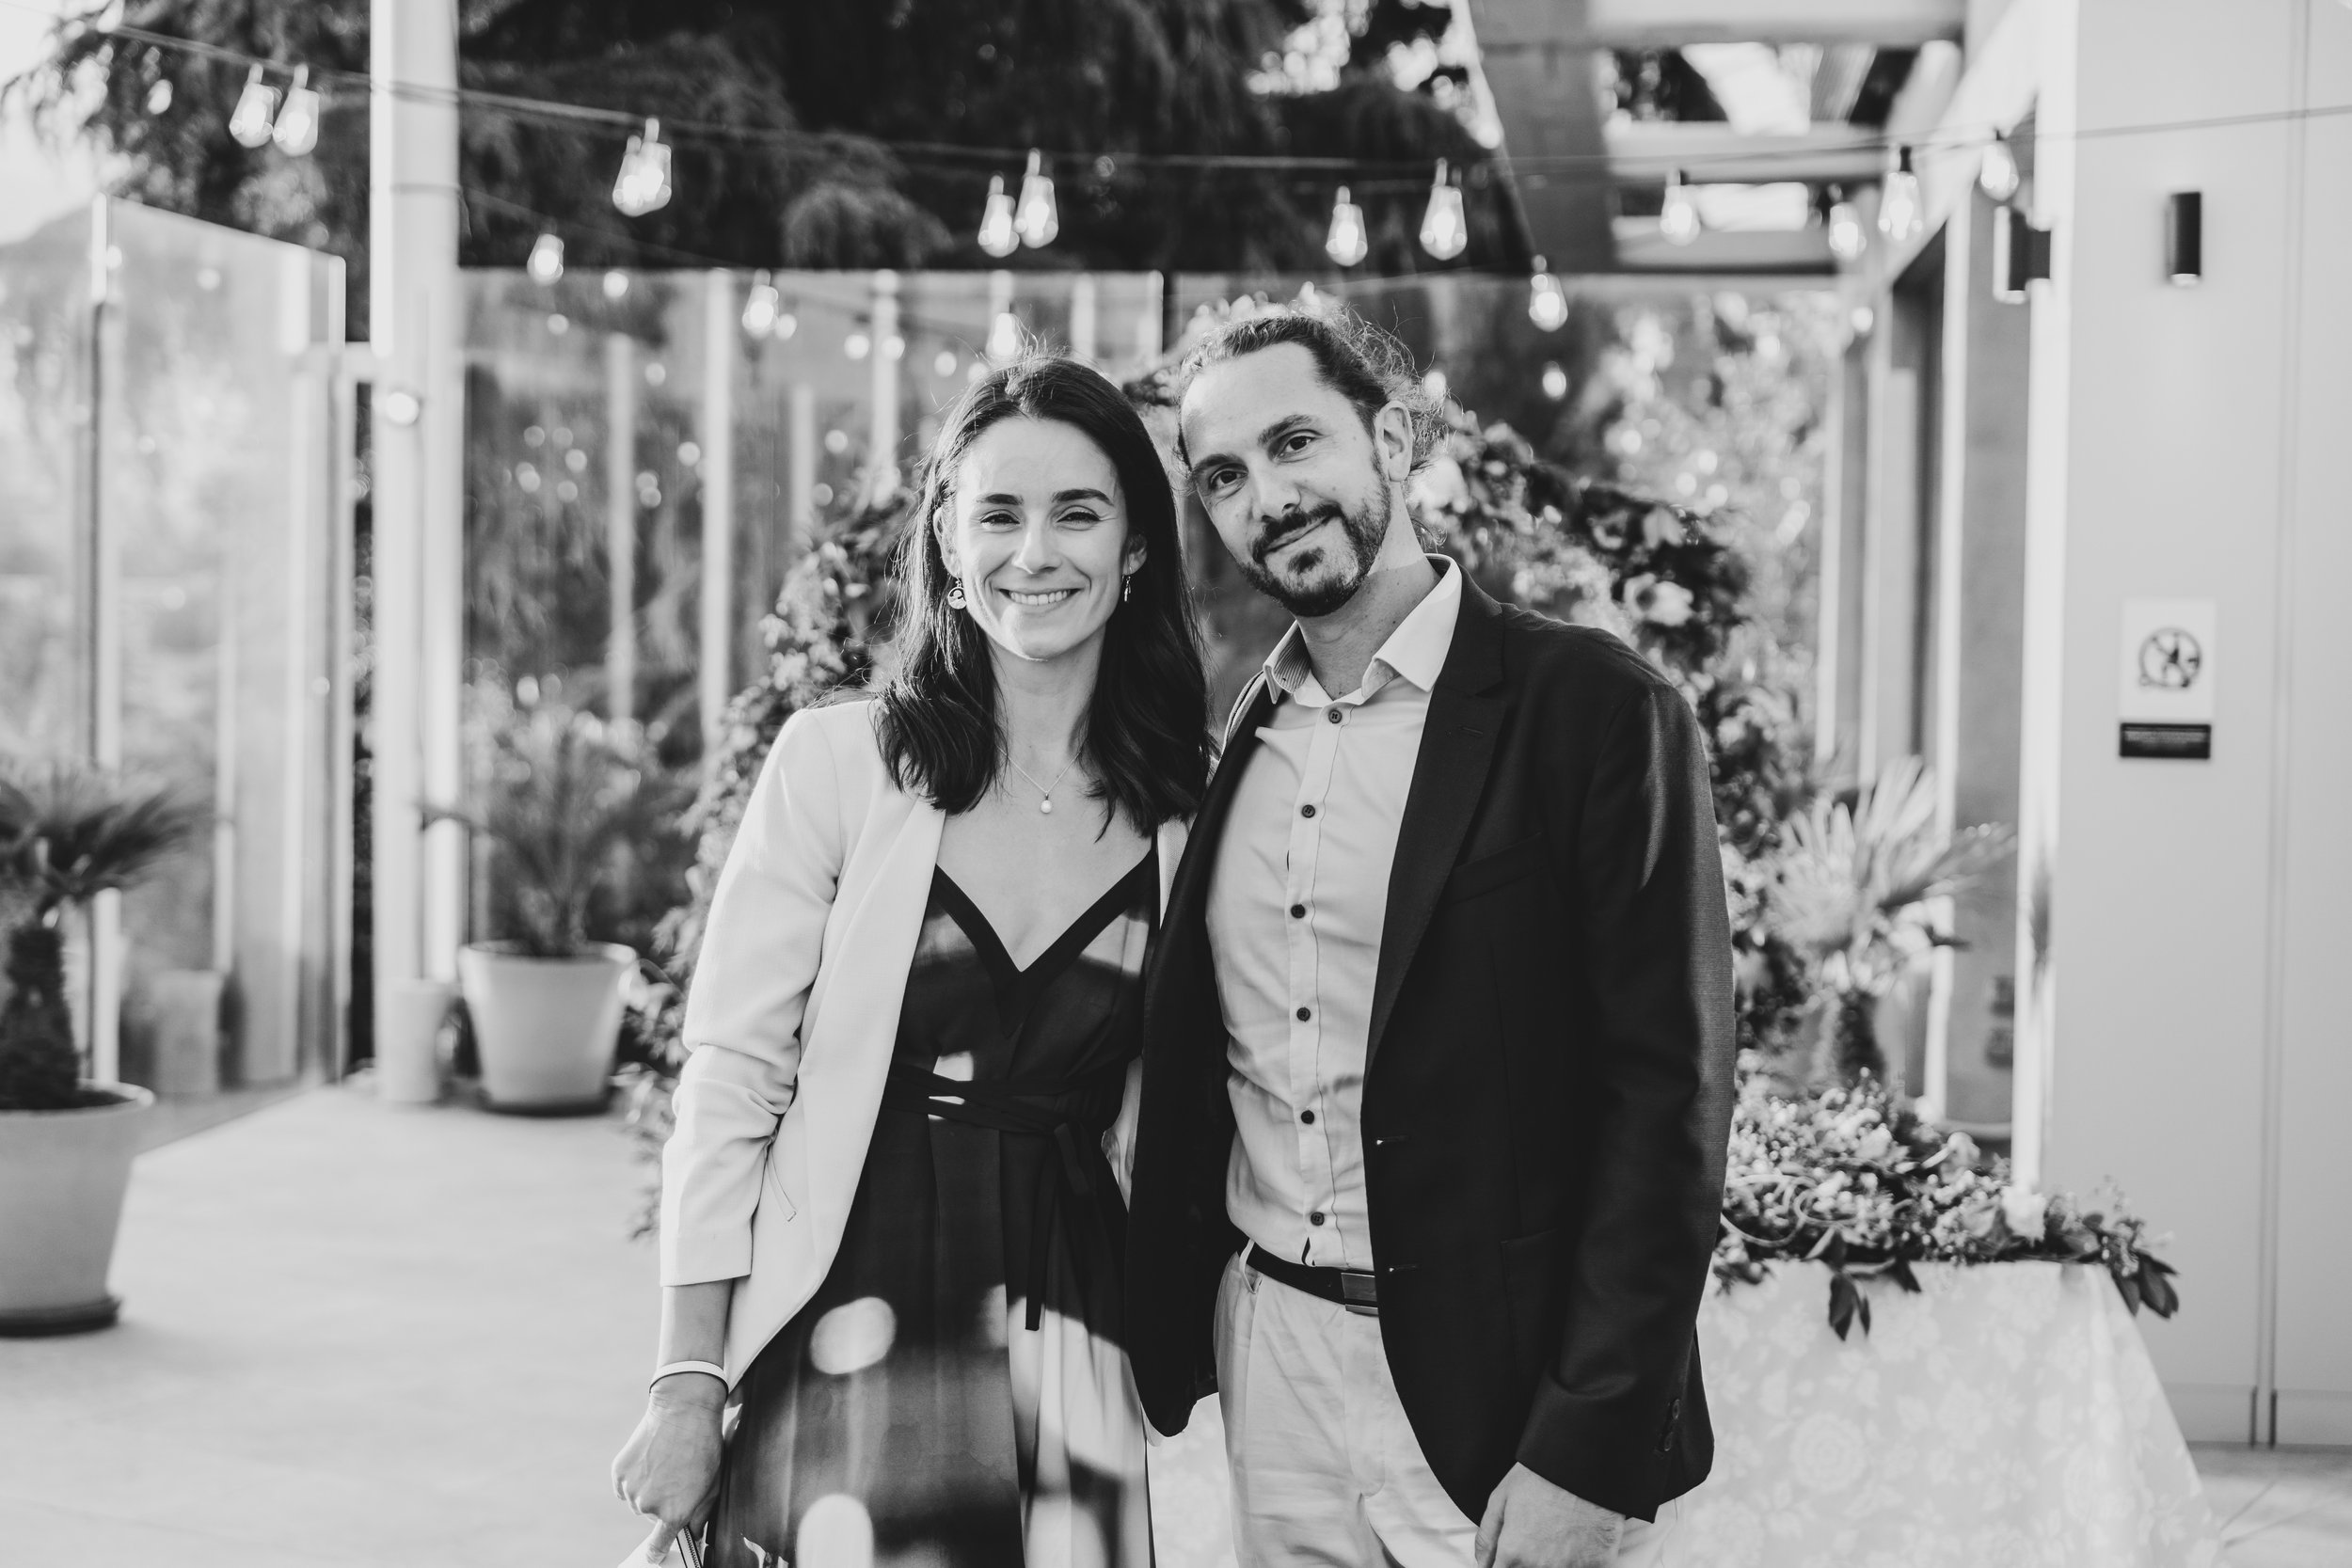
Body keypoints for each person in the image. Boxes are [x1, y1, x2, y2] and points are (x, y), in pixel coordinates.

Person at [1124, 306, 1737, 1568]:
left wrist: (1590, 1443)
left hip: (1499, 1392)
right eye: (1223, 476)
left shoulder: (1595, 711)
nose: (1268, 499)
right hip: (1274, 1361)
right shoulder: (1239, 737)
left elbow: (1669, 1101)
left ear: (1394, 440)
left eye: (1297, 443)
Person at [612, 353, 1212, 1568]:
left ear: (1137, 547)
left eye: (1078, 513)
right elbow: (731, 1080)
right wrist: (686, 1379)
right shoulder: (837, 766)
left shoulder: (1186, 810)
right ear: (945, 537)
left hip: (1071, 1336)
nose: (1034, 552)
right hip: (846, 1320)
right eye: (998, 513)